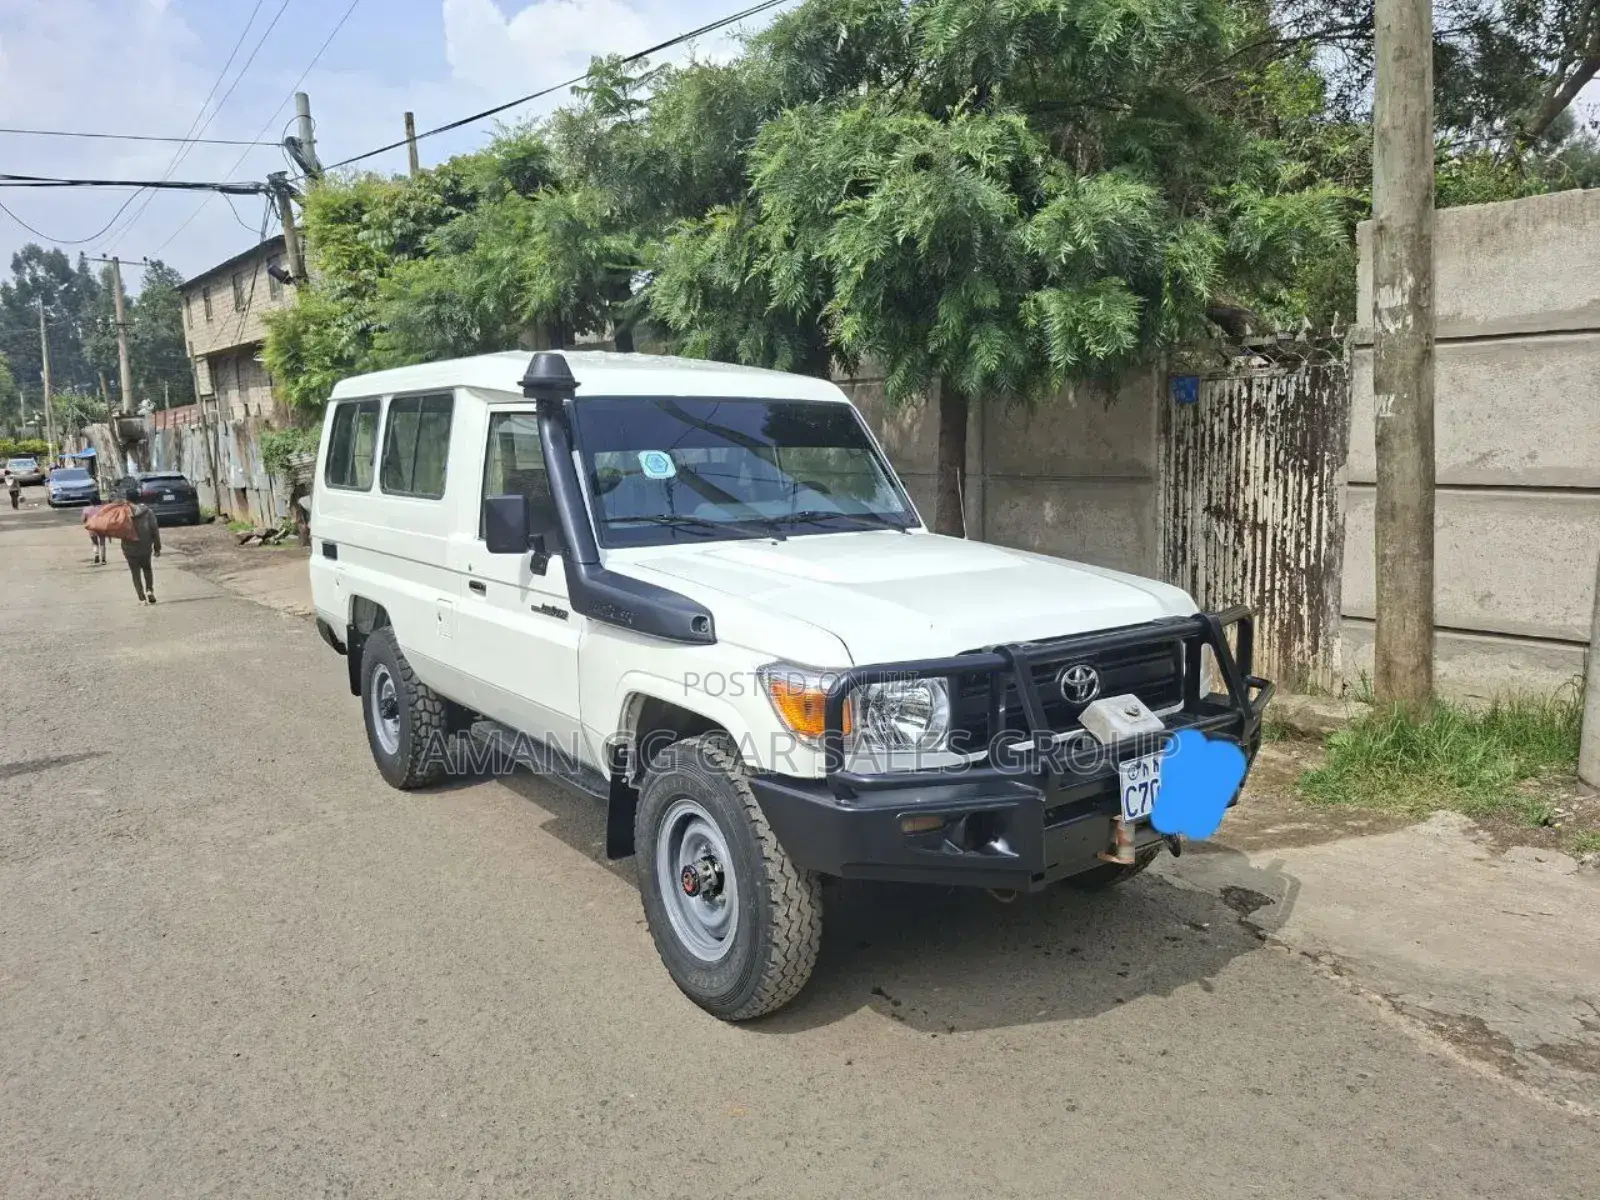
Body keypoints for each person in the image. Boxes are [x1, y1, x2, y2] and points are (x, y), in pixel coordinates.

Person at [118, 480, 162, 604]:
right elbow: (154, 530)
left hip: (129, 548)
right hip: (145, 547)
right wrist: (157, 547)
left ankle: (141, 597)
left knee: (135, 572)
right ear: (138, 498)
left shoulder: (123, 512)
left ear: (127, 499)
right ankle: (150, 591)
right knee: (147, 569)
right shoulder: (148, 512)